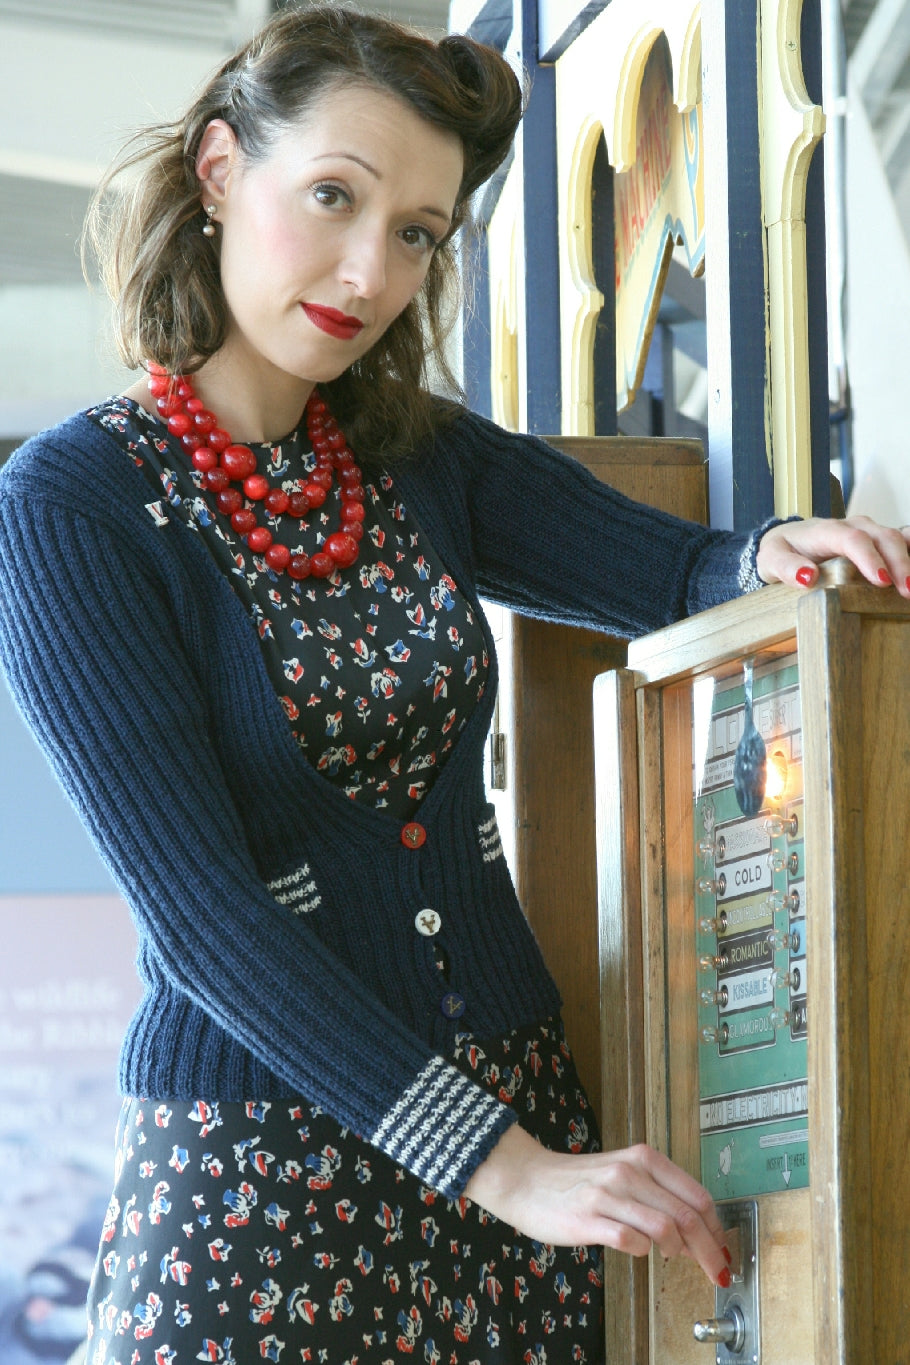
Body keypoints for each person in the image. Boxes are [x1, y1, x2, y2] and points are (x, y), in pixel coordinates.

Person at [0, 6, 908, 1363]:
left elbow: (672, 570)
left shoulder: (410, 454)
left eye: (417, 232)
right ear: (215, 172)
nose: (369, 270)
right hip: (267, 1176)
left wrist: (776, 551)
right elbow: (200, 921)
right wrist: (507, 1166)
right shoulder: (76, 501)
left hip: (517, 1162)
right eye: (333, 198)